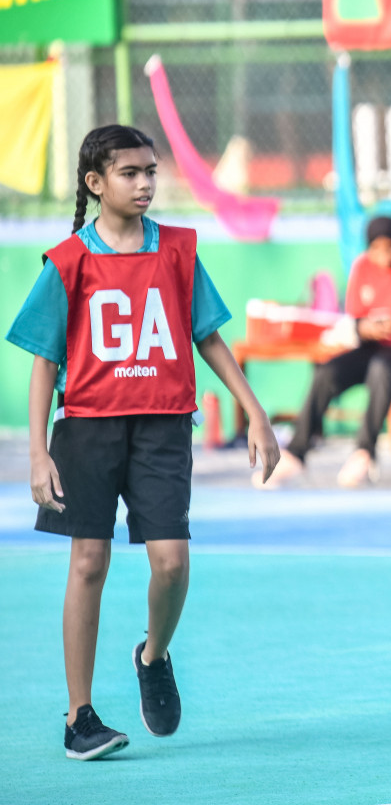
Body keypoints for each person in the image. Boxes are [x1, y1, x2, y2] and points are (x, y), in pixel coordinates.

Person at [7, 125, 281, 761]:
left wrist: (255, 411)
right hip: (85, 429)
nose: (145, 183)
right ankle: (80, 717)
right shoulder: (68, 261)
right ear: (95, 183)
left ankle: (152, 655)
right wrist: (38, 452)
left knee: (172, 562)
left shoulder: (179, 251)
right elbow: (44, 362)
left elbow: (207, 336)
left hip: (161, 426)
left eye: (151, 172)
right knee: (88, 563)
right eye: (129, 173)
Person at [267, 216, 391, 488]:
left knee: (382, 368)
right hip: (378, 346)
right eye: (376, 249)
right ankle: (297, 451)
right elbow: (355, 320)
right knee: (328, 371)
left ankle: (364, 451)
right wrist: (367, 328)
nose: (384, 256)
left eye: (390, 247)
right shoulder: (363, 267)